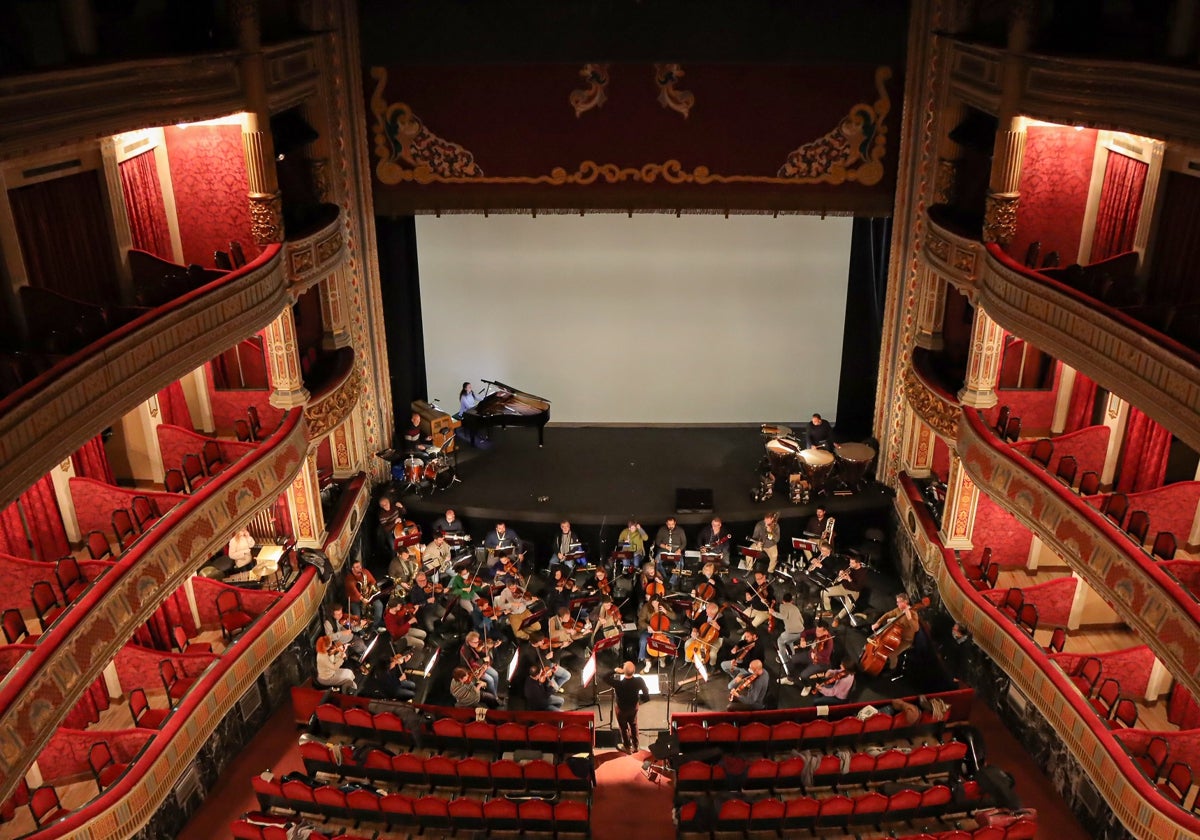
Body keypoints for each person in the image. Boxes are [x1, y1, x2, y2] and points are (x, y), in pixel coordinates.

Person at [604, 661, 650, 753]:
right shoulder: (639, 681)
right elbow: (646, 694)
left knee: (623, 727)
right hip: (633, 708)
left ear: (623, 671)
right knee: (633, 725)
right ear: (634, 671)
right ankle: (636, 747)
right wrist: (639, 701)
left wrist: (615, 670)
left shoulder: (619, 684)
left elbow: (605, 677)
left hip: (621, 710)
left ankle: (627, 747)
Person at [871, 593, 921, 670]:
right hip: (896, 634)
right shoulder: (898, 610)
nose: (897, 604)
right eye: (897, 602)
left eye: (899, 602)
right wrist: (878, 623)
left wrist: (909, 618)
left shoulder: (913, 613)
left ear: (906, 601)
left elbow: (916, 628)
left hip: (906, 640)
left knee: (892, 654)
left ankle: (892, 669)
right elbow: (887, 615)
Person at [821, 555, 868, 620]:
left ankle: (837, 618)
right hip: (842, 587)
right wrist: (839, 573)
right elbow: (841, 574)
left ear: (858, 563)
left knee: (848, 608)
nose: (850, 564)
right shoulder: (849, 567)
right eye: (850, 562)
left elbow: (857, 588)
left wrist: (849, 579)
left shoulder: (863, 573)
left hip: (853, 592)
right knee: (823, 592)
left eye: (852, 563)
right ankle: (829, 611)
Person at [637, 595, 676, 672]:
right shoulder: (646, 607)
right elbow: (640, 621)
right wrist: (648, 626)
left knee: (671, 641)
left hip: (663, 630)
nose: (655, 604)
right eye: (653, 602)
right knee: (643, 640)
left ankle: (662, 658)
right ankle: (647, 661)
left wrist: (666, 611)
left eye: (657, 602)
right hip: (649, 630)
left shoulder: (665, 606)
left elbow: (674, 617)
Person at [346, 559, 384, 630]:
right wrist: (362, 599)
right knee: (357, 616)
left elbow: (373, 581)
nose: (360, 568)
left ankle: (375, 626)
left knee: (379, 605)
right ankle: (361, 632)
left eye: (360, 566)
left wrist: (368, 588)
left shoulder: (365, 571)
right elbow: (354, 591)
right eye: (357, 567)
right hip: (355, 600)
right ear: (352, 569)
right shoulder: (349, 578)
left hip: (367, 595)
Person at [460, 630, 501, 697]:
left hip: (481, 665)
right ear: (469, 642)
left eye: (478, 641)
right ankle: (493, 697)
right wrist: (483, 660)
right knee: (490, 680)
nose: (478, 643)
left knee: (496, 674)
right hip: (473, 670)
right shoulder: (465, 651)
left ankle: (494, 692)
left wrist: (486, 649)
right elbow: (472, 665)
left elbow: (480, 654)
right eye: (476, 642)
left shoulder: (476, 645)